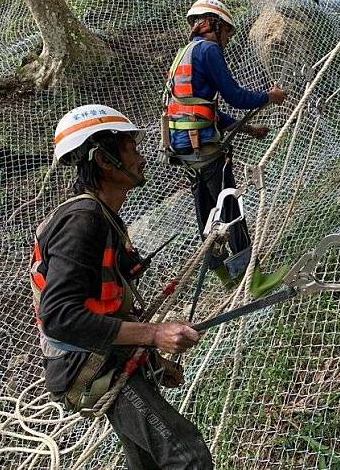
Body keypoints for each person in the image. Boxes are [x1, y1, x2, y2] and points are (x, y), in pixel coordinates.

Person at [31, 104, 213, 469]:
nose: (142, 158)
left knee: (146, 462)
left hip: (105, 357)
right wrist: (154, 334)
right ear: (104, 160)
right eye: (132, 148)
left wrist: (153, 362)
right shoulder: (82, 223)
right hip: (90, 365)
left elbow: (103, 308)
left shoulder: (101, 216)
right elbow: (60, 318)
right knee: (188, 457)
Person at [162, 0, 288, 295]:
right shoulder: (208, 49)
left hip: (184, 147)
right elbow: (235, 96)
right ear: (214, 26)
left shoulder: (185, 53)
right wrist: (270, 97)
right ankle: (252, 278)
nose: (228, 40)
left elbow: (201, 108)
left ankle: (221, 272)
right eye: (228, 33)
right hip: (204, 147)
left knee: (206, 209)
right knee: (230, 205)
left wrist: (246, 128)